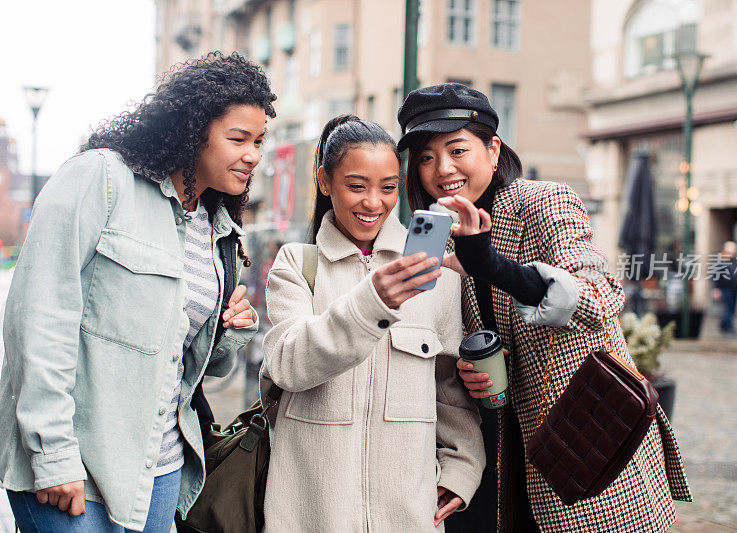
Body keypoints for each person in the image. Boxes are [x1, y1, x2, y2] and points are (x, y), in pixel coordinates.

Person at [398, 83, 692, 533]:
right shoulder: (441, 236)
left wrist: (492, 265)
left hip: (587, 448)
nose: (443, 169)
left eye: (457, 150)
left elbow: (600, 295)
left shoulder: (544, 201)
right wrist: (472, 367)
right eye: (425, 157)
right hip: (508, 457)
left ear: (493, 149)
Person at [0, 52, 271, 532]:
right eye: (238, 138)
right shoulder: (100, 178)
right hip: (75, 470)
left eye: (259, 141)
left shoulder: (219, 231)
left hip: (161, 472)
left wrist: (229, 333)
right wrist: (53, 455)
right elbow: (38, 320)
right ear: (193, 131)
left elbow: (194, 367)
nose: (253, 154)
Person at [260, 115, 485, 531]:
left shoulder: (433, 268)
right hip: (310, 513)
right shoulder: (296, 264)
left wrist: (460, 471)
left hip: (408, 514)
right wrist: (372, 302)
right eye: (357, 186)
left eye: (387, 187)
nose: (373, 203)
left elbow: (449, 388)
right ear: (326, 182)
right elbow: (288, 364)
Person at [711, 240, 737, 335]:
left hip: (735, 288)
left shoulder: (735, 260)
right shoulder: (721, 260)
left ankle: (723, 324)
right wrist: (716, 289)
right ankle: (730, 328)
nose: (733, 250)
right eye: (731, 248)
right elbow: (715, 275)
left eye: (734, 248)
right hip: (725, 288)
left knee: (732, 308)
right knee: (728, 308)